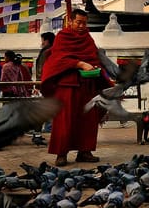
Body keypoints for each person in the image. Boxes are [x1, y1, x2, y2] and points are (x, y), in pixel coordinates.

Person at [40, 10, 110, 165]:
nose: (81, 26)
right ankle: (61, 153)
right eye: (78, 22)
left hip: (87, 84)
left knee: (88, 120)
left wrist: (94, 68)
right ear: (69, 21)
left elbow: (93, 57)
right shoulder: (63, 37)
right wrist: (79, 64)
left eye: (84, 23)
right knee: (64, 120)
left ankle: (84, 151)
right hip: (67, 84)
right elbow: (59, 59)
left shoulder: (87, 38)